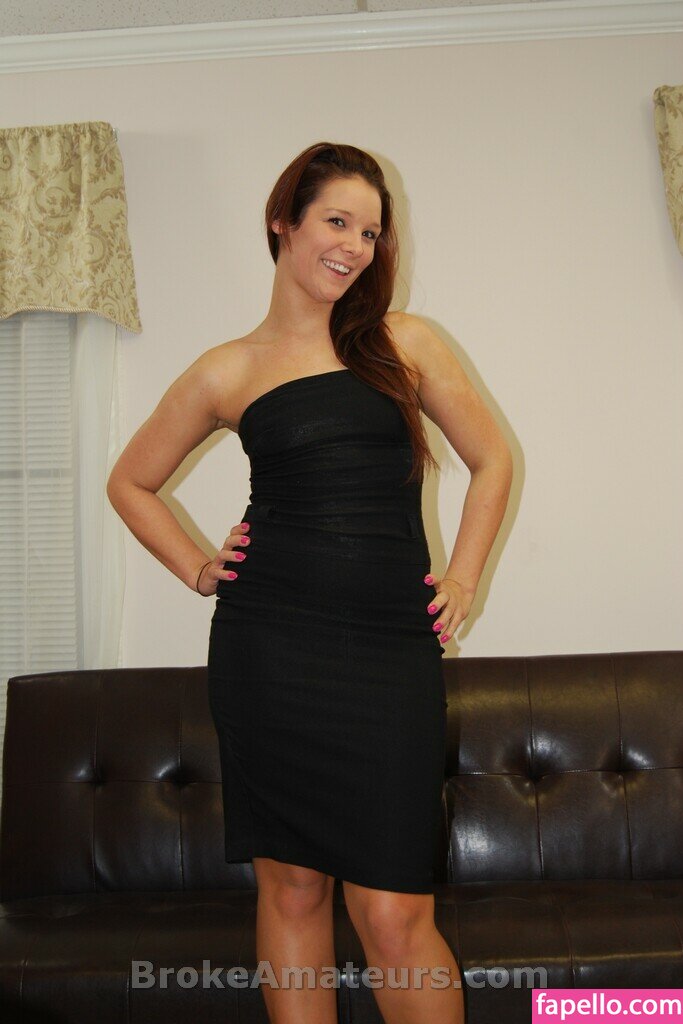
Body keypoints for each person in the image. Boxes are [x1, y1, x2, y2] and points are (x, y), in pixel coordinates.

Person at [107, 141, 512, 1024]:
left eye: (370, 231)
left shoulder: (404, 342)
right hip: (269, 652)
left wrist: (463, 576)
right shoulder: (226, 368)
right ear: (283, 222)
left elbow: (493, 459)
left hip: (389, 657)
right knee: (291, 889)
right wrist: (199, 568)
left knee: (393, 911)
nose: (355, 246)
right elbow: (129, 482)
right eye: (337, 221)